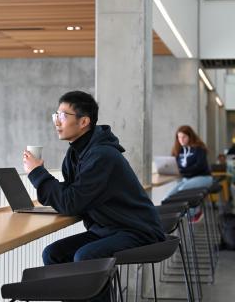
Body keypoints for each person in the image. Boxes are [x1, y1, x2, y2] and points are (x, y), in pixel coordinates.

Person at [22, 91, 165, 300]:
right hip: (108, 229)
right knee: (52, 254)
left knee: (86, 256)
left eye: (63, 116)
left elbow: (71, 202)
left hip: (137, 230)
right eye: (56, 115)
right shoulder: (75, 154)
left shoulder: (102, 155)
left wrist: (37, 173)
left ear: (84, 121)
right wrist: (43, 180)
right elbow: (72, 196)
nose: (56, 122)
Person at [166, 125, 213, 222]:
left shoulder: (199, 149)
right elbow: (174, 165)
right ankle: (175, 217)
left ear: (190, 136)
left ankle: (194, 213)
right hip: (187, 179)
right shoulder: (178, 150)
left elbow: (199, 167)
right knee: (168, 197)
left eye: (184, 137)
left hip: (204, 177)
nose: (181, 140)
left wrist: (182, 171)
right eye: (179, 137)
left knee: (182, 190)